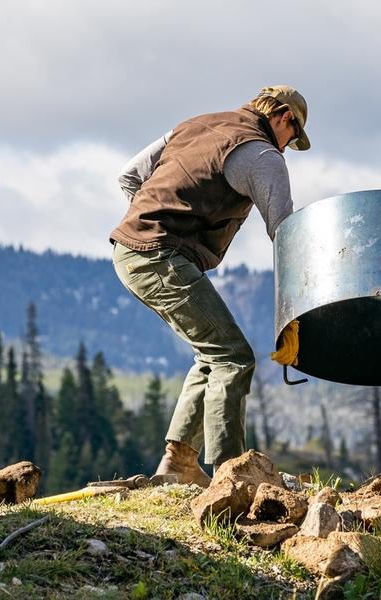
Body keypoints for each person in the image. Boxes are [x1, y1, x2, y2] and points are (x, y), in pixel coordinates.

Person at [110, 86, 308, 486]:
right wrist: (296, 314)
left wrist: (151, 218)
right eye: (294, 136)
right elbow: (286, 236)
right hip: (159, 255)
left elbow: (129, 175)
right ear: (284, 117)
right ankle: (231, 475)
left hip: (132, 250)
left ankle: (180, 462)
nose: (288, 148)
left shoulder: (195, 124)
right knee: (233, 358)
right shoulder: (263, 154)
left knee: (212, 353)